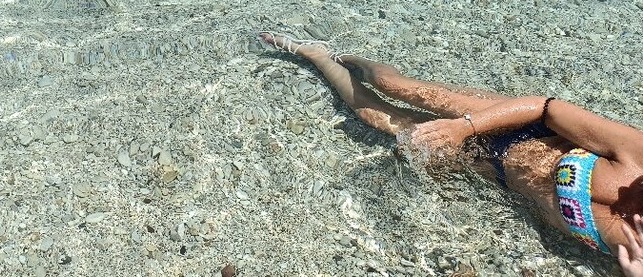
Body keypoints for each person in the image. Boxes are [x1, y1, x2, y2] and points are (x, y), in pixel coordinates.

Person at [258, 32, 643, 272]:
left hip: (488, 164)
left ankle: (317, 58)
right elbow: (548, 108)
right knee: (391, 84)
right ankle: (350, 58)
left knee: (378, 118)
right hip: (512, 124)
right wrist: (465, 125)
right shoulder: (637, 156)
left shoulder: (634, 252)